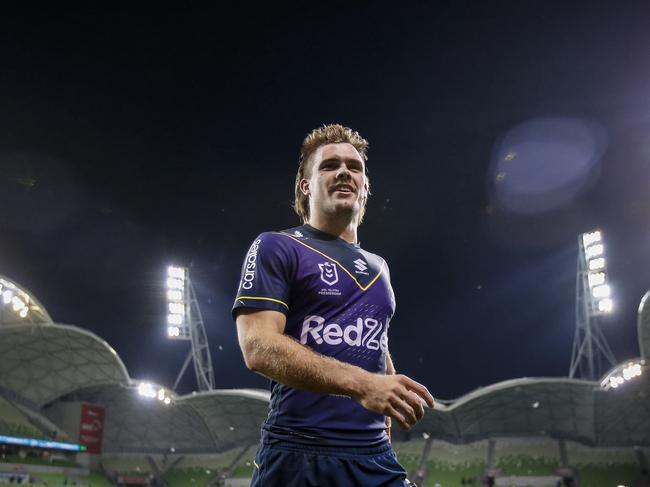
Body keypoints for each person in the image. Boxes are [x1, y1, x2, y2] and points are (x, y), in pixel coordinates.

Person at [233, 124, 434, 486]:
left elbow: (376, 344)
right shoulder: (277, 247)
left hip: (373, 457)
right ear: (306, 185)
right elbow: (258, 347)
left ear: (365, 187)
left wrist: (386, 403)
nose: (344, 171)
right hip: (299, 453)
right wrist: (362, 385)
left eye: (354, 167)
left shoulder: (379, 268)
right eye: (329, 165)